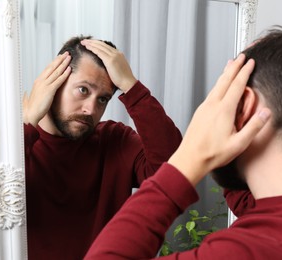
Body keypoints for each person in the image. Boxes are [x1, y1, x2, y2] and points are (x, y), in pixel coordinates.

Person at [84, 27, 282, 259]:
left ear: (244, 104)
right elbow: (253, 200)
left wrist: (193, 156)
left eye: (223, 91)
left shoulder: (247, 250)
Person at [22, 35, 182, 259]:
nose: (90, 109)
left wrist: (131, 86)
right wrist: (27, 123)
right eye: (83, 90)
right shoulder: (18, 145)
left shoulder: (115, 140)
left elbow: (174, 169)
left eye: (103, 99)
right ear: (54, 82)